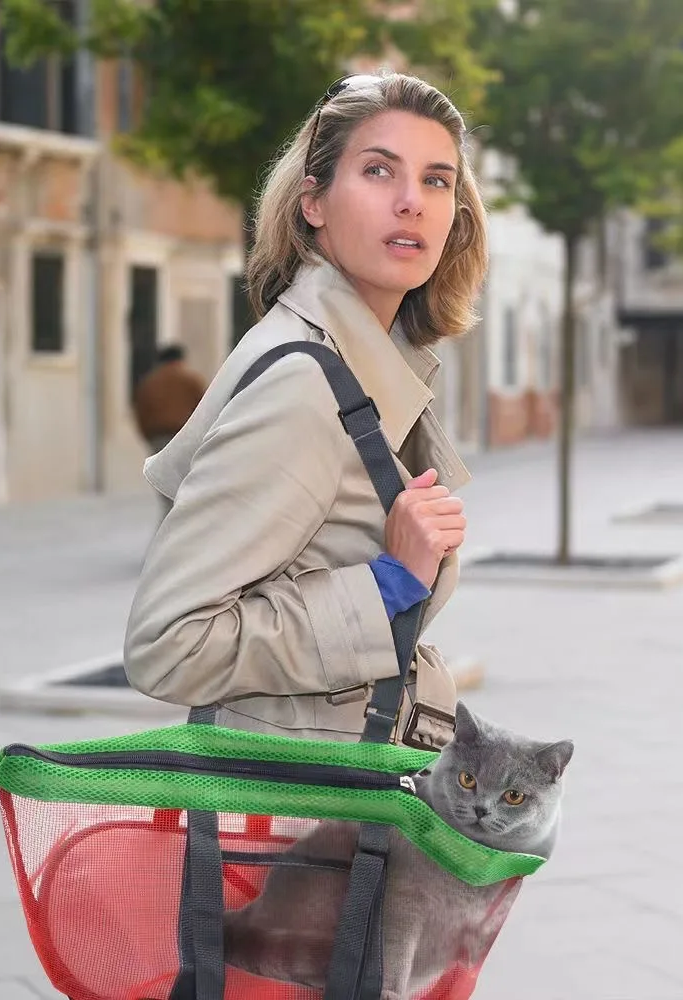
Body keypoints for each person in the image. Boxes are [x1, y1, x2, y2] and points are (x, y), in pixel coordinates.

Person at [123, 72, 488, 745]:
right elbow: (168, 642)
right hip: (293, 822)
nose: (412, 201)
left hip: (325, 815)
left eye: (437, 180)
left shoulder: (359, 360)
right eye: (379, 171)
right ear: (312, 201)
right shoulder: (304, 381)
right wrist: (389, 584)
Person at [131, 345, 207, 453]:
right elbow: (203, 409)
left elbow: (141, 412)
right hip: (185, 434)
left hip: (159, 435)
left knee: (161, 468)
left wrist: (148, 435)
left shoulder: (150, 382)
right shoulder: (192, 380)